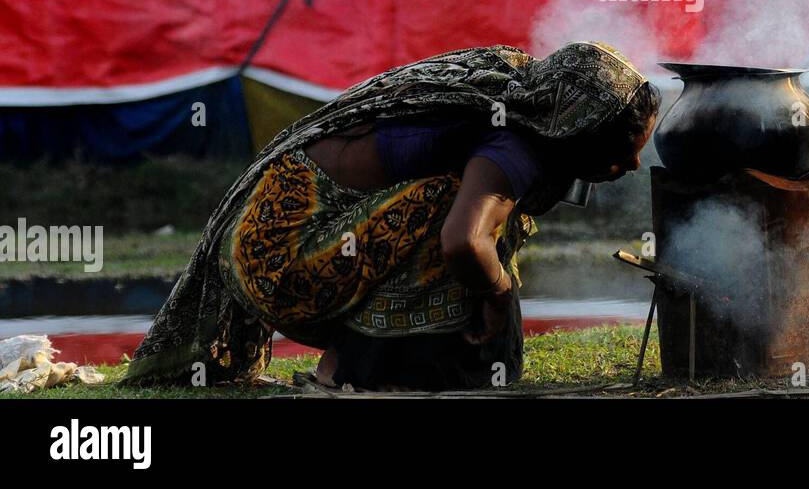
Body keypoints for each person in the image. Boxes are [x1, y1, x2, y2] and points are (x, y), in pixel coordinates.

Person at [124, 42, 659, 391]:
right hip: (278, 259)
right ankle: (363, 368)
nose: (631, 165)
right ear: (579, 126)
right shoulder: (513, 146)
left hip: (264, 236)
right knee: (455, 215)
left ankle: (353, 363)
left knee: (472, 217)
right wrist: (496, 293)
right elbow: (461, 243)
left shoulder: (514, 85)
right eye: (623, 149)